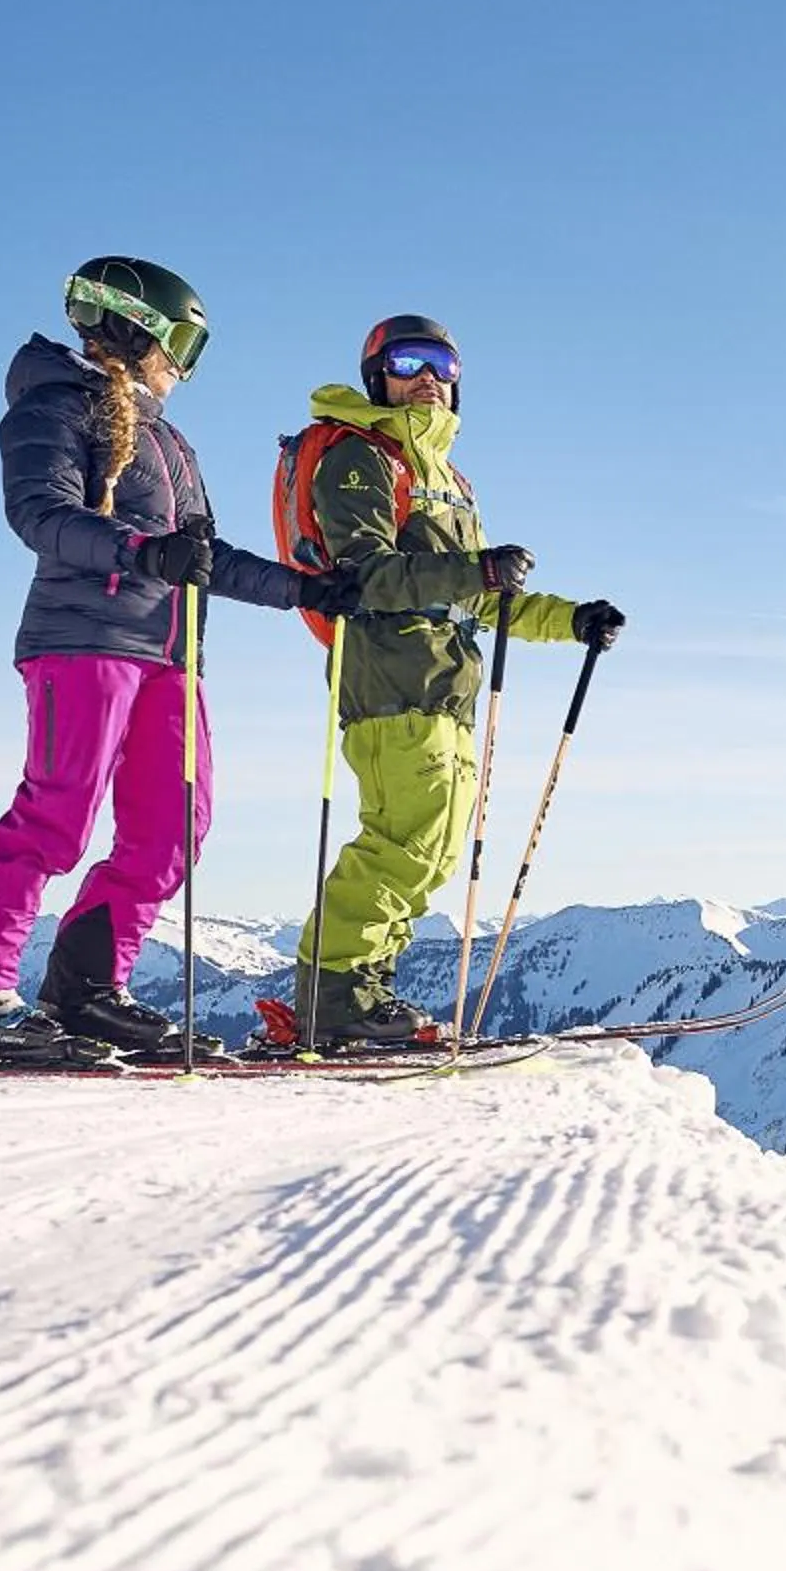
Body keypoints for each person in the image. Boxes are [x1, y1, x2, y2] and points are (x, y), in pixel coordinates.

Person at [0, 258, 357, 1059]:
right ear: (133, 329)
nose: (184, 365)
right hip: (84, 640)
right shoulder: (54, 404)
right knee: (57, 815)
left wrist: (303, 589)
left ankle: (86, 989)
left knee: (173, 829)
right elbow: (41, 513)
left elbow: (203, 556)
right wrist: (143, 553)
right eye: (181, 343)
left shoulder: (168, 440)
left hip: (172, 655)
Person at [290, 315, 624, 1043]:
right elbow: (367, 575)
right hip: (392, 678)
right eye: (409, 362)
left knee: (435, 848)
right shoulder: (360, 456)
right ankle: (331, 994)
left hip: (446, 685)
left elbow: (483, 597)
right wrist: (477, 570)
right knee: (403, 841)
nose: (428, 379)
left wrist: (571, 620)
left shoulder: (447, 479)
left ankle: (361, 988)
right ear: (377, 376)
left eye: (443, 366)